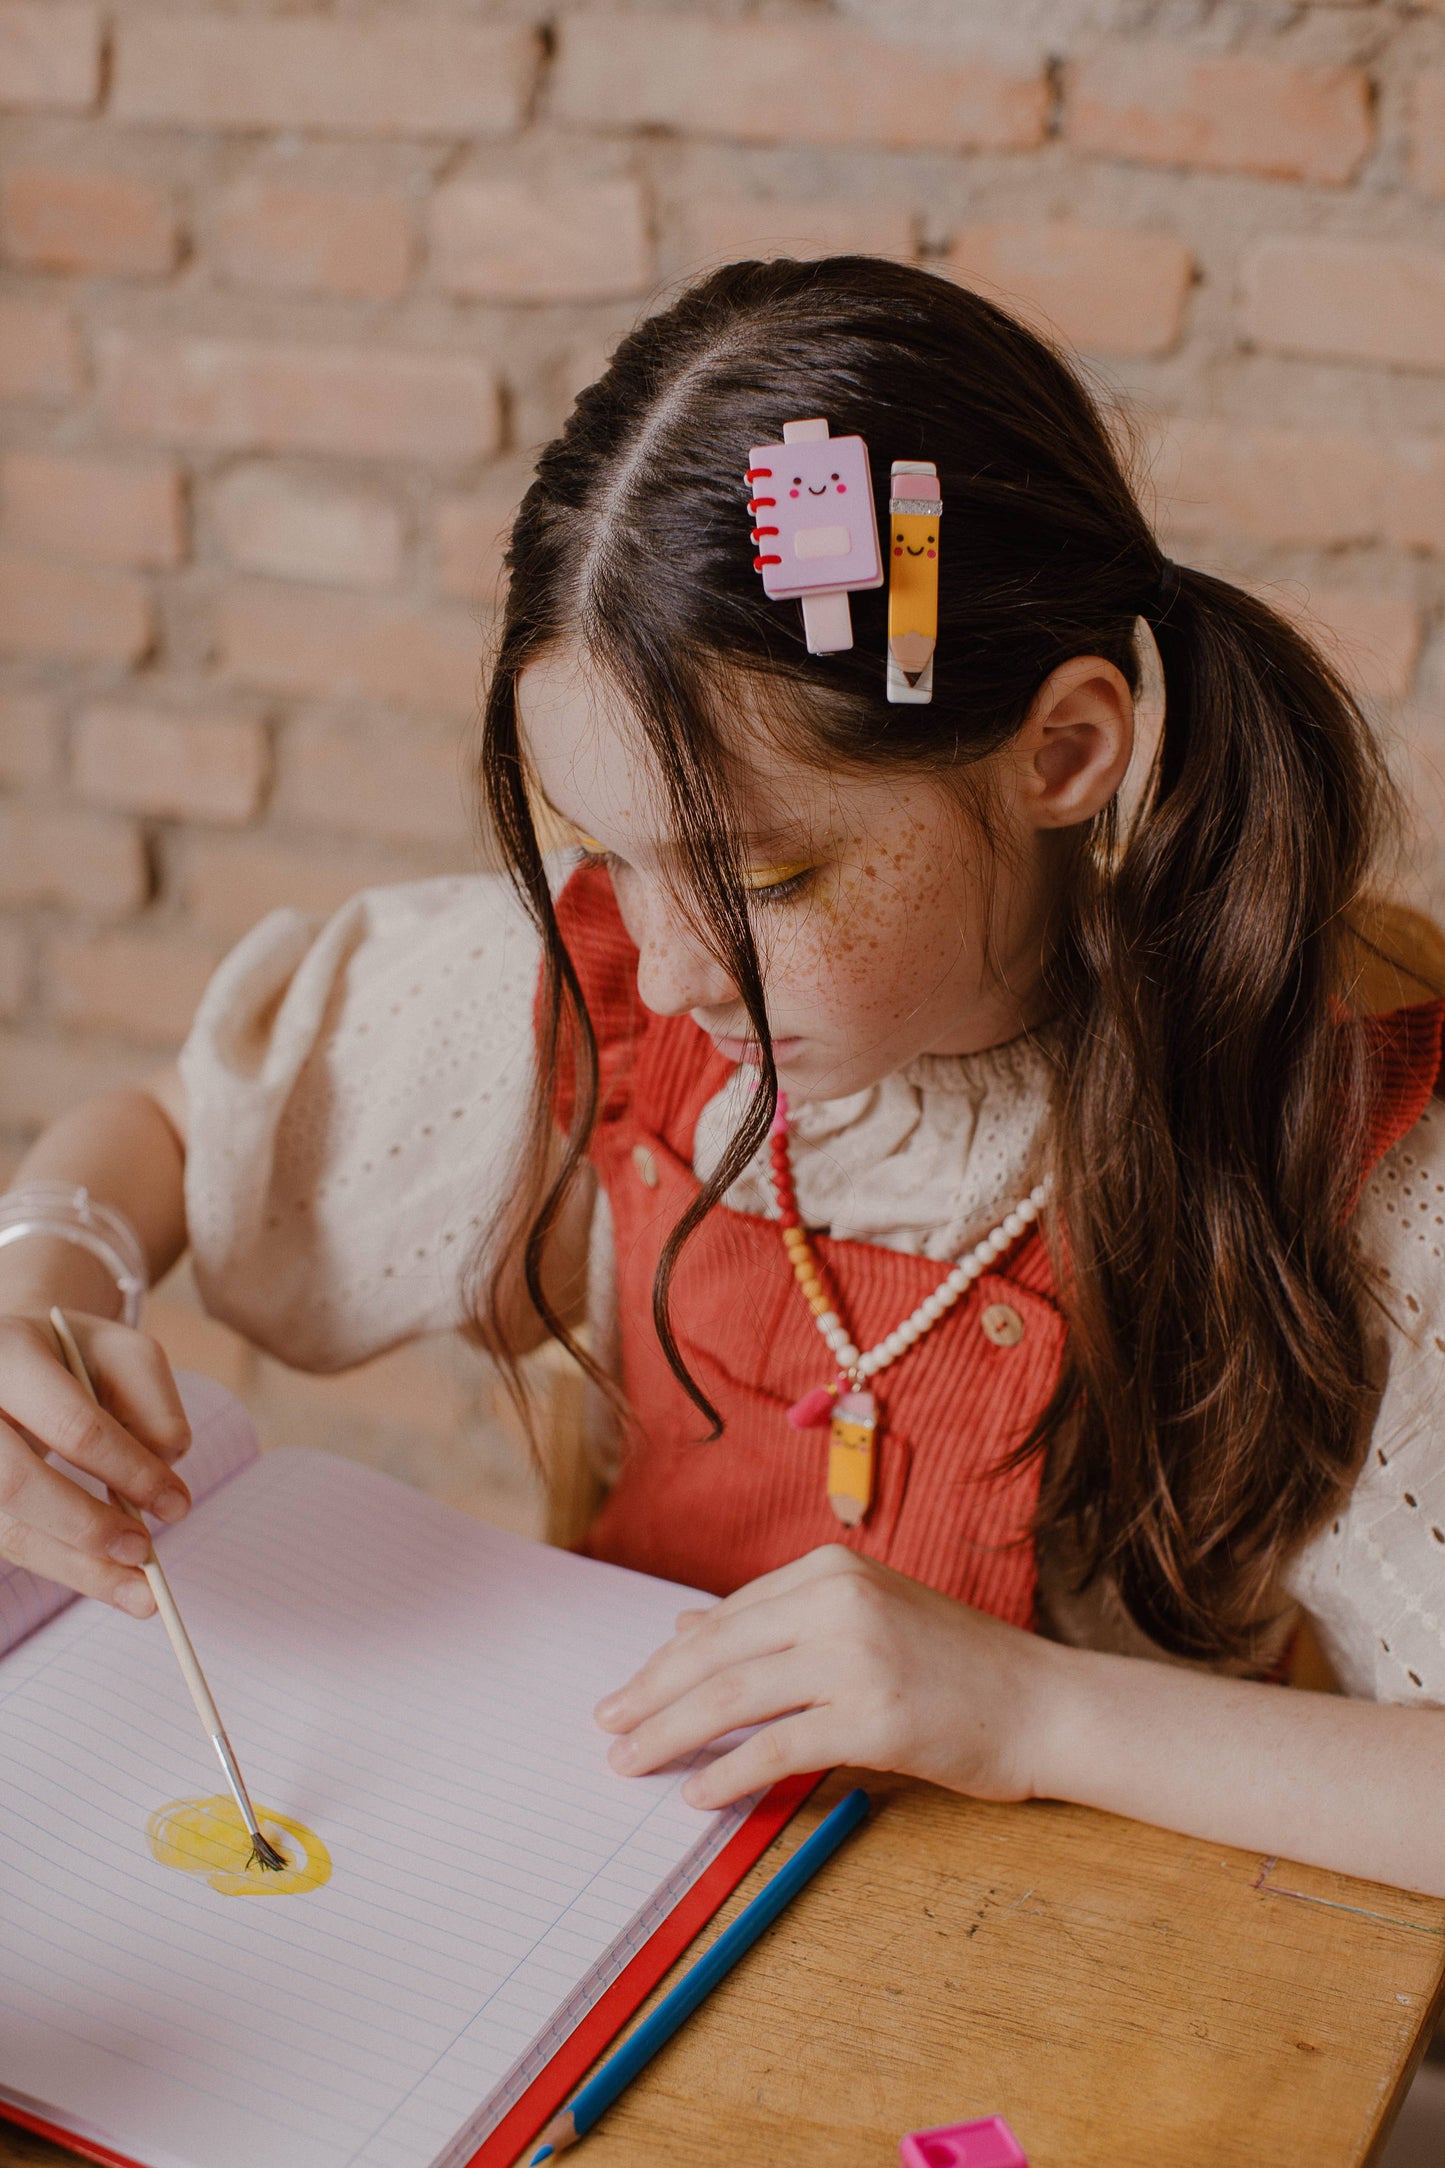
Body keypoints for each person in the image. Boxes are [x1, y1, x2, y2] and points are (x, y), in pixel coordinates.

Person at [2, 257, 1443, 1894]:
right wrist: (41, 1283)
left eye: (762, 886)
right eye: (606, 853)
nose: (677, 969)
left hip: (1084, 1989)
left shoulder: (1333, 1149)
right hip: (609, 1917)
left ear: (1061, 754)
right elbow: (168, 1133)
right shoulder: (594, 994)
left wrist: (1032, 1712)